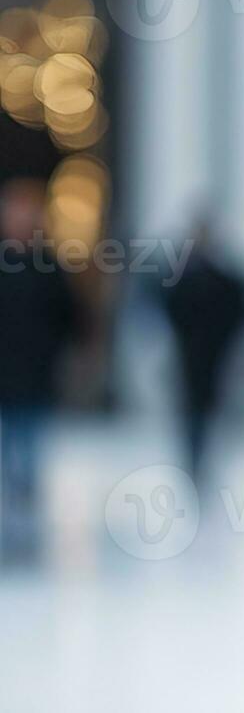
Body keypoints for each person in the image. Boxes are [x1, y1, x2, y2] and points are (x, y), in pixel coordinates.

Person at [0, 177, 79, 565]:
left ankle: (23, 521)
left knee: (28, 449)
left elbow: (69, 316)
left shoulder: (47, 265)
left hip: (34, 374)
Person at [160, 220, 244, 489]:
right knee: (191, 414)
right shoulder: (182, 277)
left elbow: (237, 312)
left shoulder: (222, 278)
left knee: (208, 414)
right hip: (190, 358)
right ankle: (194, 461)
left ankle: (202, 461)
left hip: (214, 359)